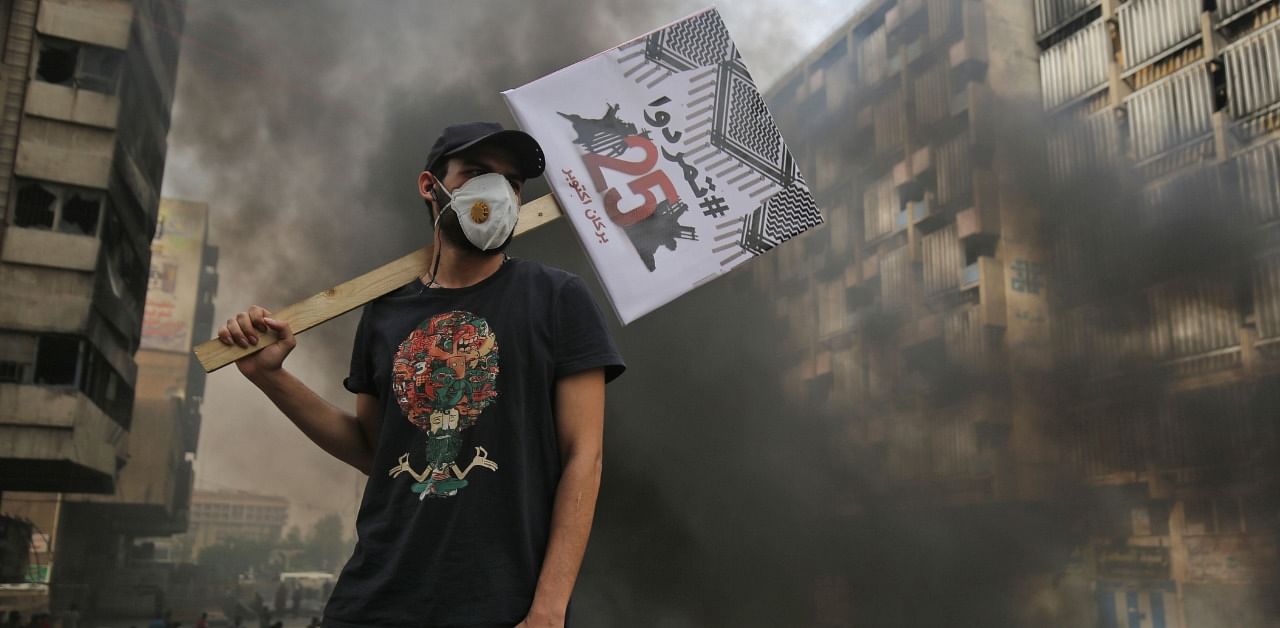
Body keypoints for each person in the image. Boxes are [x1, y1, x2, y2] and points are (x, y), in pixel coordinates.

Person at [217, 121, 625, 627]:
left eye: (512, 183)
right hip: (377, 600)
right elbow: (375, 448)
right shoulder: (384, 311)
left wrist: (548, 609)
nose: (495, 192)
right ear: (430, 187)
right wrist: (269, 377)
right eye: (476, 173)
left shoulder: (557, 299)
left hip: (501, 605)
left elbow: (584, 456)